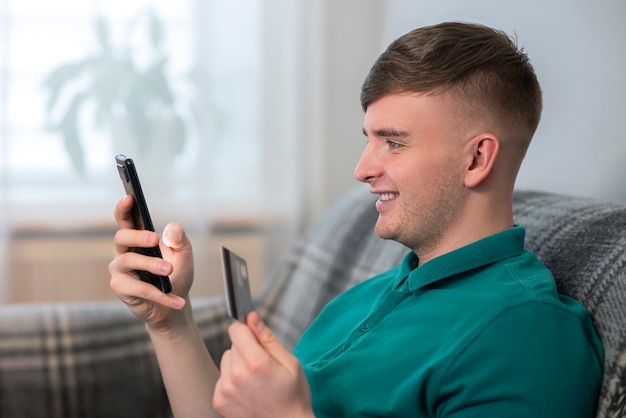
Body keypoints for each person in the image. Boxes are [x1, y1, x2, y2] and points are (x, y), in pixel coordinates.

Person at [109, 21, 603, 417]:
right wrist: (169, 319)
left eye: (393, 141)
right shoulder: (368, 297)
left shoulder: (525, 335)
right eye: (368, 139)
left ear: (476, 159)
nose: (363, 169)